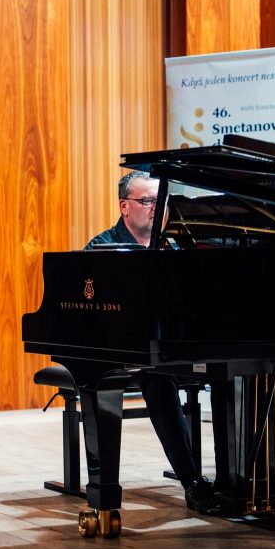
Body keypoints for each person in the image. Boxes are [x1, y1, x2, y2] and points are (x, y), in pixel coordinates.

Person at [84, 170, 218, 513]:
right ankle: (191, 480)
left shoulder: (176, 246)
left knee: (232, 369)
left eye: (161, 202)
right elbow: (94, 319)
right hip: (122, 353)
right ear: (124, 206)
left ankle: (238, 477)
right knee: (157, 378)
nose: (156, 209)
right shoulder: (101, 249)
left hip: (173, 348)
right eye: (147, 201)